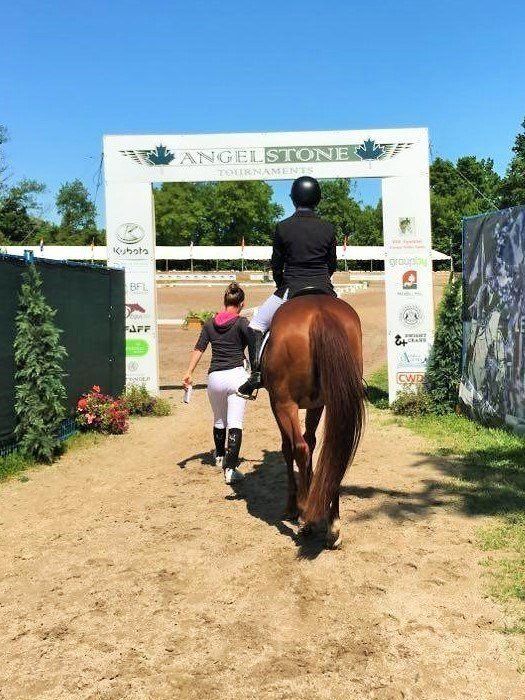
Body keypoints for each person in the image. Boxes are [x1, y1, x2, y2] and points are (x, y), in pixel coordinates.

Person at [237, 176, 337, 399]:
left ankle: (256, 375)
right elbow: (332, 265)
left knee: (256, 325)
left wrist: (282, 285)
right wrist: (322, 283)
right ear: (318, 199)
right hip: (324, 288)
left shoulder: (283, 227)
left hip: (291, 288)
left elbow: (277, 265)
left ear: (293, 199)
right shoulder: (328, 228)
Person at [183, 283, 250, 484]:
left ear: (224, 302)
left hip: (215, 378)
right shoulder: (242, 323)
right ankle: (230, 469)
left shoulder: (210, 323)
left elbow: (199, 348)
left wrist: (189, 372)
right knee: (235, 423)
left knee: (219, 420)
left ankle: (220, 456)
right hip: (236, 375)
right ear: (242, 304)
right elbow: (255, 346)